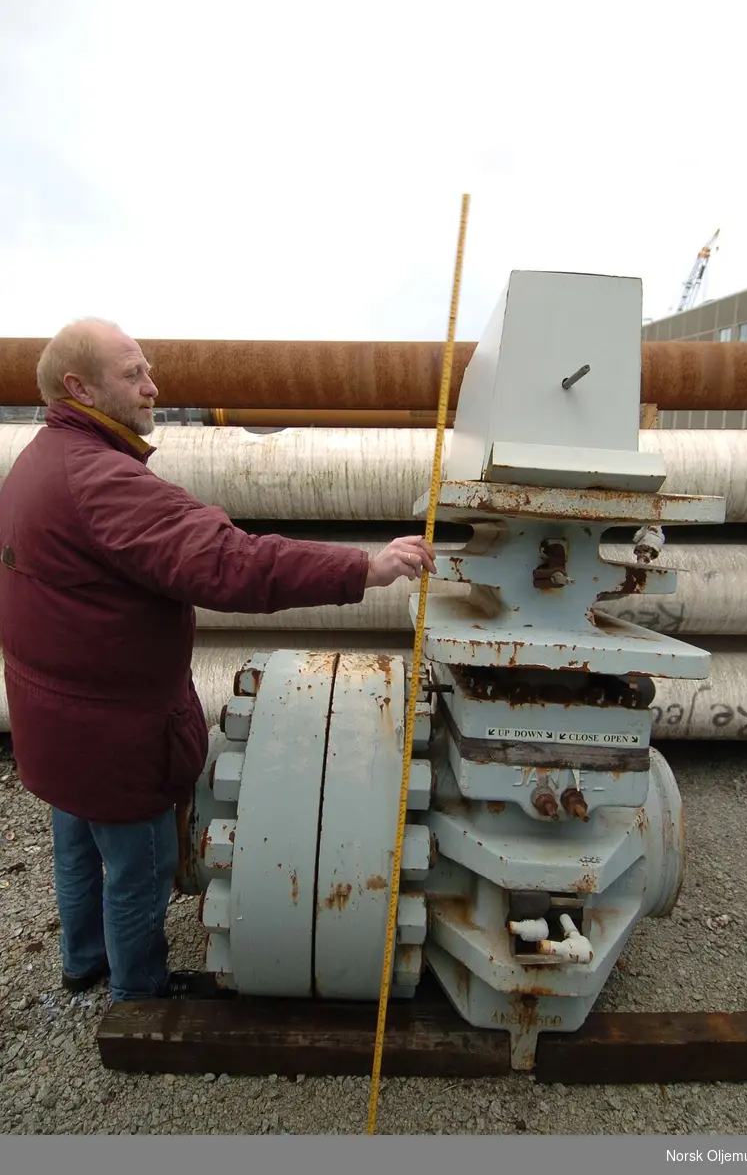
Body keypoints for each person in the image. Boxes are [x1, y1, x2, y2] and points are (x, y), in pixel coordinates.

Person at [0, 318, 436, 1003]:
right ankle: (140, 995)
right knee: (142, 864)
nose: (153, 387)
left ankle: (83, 962)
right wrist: (366, 568)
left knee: (77, 843)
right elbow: (231, 564)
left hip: (54, 720)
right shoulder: (101, 481)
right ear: (79, 387)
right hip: (111, 733)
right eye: (133, 373)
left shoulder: (39, 457)